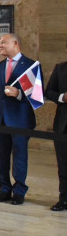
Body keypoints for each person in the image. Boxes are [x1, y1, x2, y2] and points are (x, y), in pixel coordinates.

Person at [0, 33, 36, 205]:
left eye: (3, 43)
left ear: (15, 44)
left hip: (20, 120)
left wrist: (19, 94)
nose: (0, 46)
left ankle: (19, 191)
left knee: (20, 156)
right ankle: (4, 189)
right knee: (1, 157)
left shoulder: (31, 66)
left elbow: (37, 95)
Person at [44, 61, 67, 211]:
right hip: (63, 124)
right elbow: (49, 92)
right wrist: (63, 97)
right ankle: (64, 198)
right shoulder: (60, 68)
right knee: (63, 165)